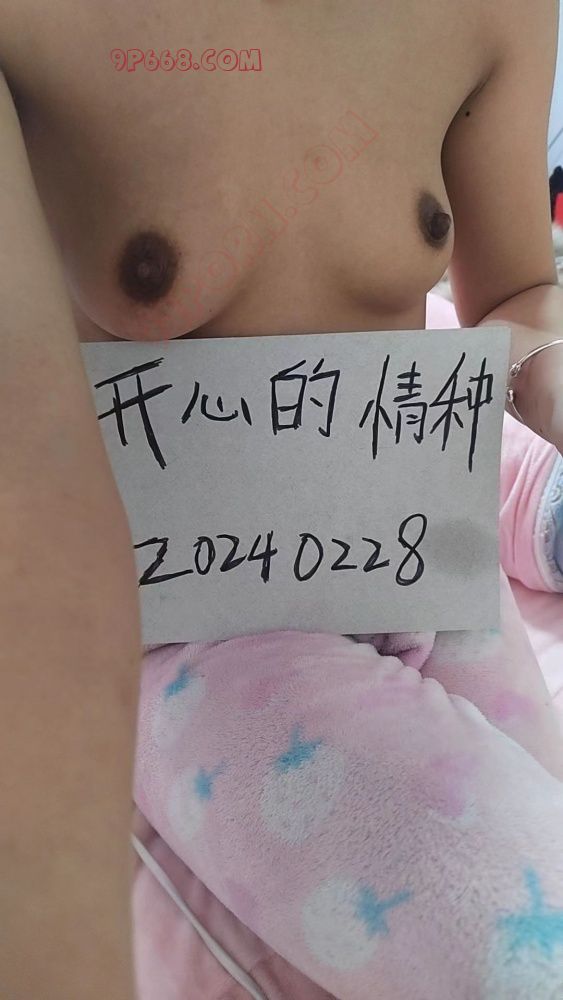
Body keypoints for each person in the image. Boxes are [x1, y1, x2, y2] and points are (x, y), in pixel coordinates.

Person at [0, 0, 562, 996]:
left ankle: (531, 502)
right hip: (190, 619)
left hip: (421, 537)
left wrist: (542, 372)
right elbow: (27, 479)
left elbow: (516, 292)